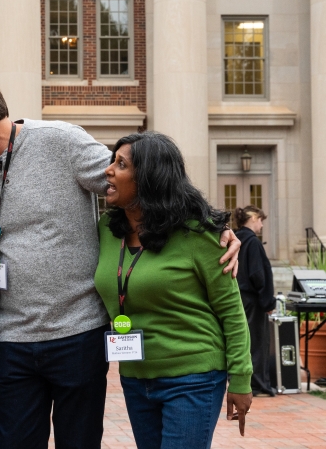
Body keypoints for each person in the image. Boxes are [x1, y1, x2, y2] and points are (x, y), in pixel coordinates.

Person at [0, 68, 242, 449]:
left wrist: (209, 224)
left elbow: (144, 181)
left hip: (78, 335)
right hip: (11, 340)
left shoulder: (61, 141)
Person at [93, 131, 253, 448]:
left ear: (148, 180)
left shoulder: (198, 234)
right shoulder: (107, 231)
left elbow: (231, 311)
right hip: (136, 377)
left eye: (120, 164)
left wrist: (242, 378)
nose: (108, 170)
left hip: (193, 376)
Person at [234, 205, 277, 396]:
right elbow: (259, 275)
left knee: (242, 342)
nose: (261, 226)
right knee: (257, 342)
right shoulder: (253, 242)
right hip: (253, 300)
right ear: (252, 219)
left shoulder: (235, 240)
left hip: (238, 298)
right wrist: (268, 303)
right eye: (260, 221)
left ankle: (242, 380)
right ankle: (258, 384)